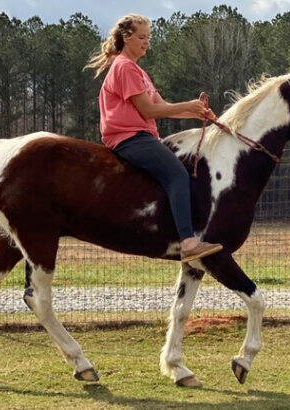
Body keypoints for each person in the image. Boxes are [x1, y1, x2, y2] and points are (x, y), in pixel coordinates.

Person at [86, 14, 222, 263]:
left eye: (148, 37)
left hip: (141, 136)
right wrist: (189, 105)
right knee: (178, 175)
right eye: (141, 37)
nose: (147, 42)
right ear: (126, 38)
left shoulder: (136, 70)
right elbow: (148, 111)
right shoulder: (124, 67)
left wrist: (195, 112)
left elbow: (162, 106)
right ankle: (189, 243)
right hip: (130, 138)